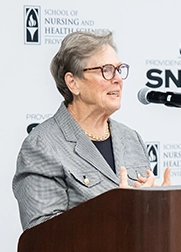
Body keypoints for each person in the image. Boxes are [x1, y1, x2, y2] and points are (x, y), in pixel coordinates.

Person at [13, 30, 170, 230]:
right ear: (73, 83)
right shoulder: (42, 146)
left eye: (119, 69)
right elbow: (42, 236)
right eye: (106, 70)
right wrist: (116, 212)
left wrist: (160, 205)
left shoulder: (131, 139)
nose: (118, 79)